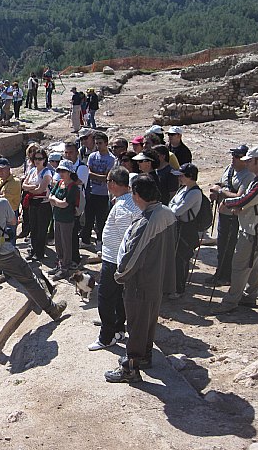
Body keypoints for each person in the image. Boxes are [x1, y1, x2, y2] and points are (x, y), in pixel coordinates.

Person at [0, 172, 67, 336]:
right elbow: (13, 222)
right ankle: (52, 310)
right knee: (29, 281)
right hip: (5, 253)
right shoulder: (1, 202)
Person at [105, 175, 177, 383]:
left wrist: (120, 275)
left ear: (137, 195)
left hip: (140, 282)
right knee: (148, 321)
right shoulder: (166, 213)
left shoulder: (146, 222)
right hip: (157, 278)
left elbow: (132, 256)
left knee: (136, 325)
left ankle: (131, 367)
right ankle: (145, 356)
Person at [213, 147, 258, 314]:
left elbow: (244, 200)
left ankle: (230, 302)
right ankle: (249, 296)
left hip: (252, 230)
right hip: (255, 228)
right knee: (253, 264)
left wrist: (226, 200)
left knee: (240, 265)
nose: (246, 163)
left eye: (250, 161)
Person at [88, 167, 141, 351]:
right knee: (118, 296)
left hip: (115, 260)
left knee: (105, 297)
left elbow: (128, 237)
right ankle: (118, 328)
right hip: (116, 258)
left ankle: (106, 336)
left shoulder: (124, 207)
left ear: (112, 183)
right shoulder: (128, 202)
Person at [206, 145, 254, 286]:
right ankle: (220, 273)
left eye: (237, 156)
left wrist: (220, 192)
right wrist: (216, 187)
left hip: (234, 215)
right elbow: (223, 183)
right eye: (233, 155)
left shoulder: (248, 175)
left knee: (229, 246)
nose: (234, 158)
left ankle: (226, 275)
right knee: (221, 245)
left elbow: (240, 196)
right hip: (223, 212)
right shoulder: (230, 169)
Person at [168, 163, 202, 298]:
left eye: (182, 176)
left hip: (187, 230)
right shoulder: (183, 189)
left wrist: (174, 207)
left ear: (190, 176)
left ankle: (179, 289)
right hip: (178, 227)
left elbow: (177, 210)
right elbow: (172, 204)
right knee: (174, 258)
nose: (179, 178)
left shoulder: (195, 193)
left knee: (181, 259)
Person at [83, 132, 115, 253]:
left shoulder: (111, 159)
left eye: (100, 143)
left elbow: (106, 177)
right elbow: (88, 172)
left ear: (106, 143)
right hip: (91, 192)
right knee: (89, 218)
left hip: (103, 193)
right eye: (96, 143)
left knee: (101, 220)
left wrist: (92, 175)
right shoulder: (92, 156)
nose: (98, 146)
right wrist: (95, 175)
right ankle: (85, 240)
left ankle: (100, 241)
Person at [48, 159, 80, 281]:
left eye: (64, 171)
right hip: (57, 217)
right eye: (60, 170)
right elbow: (51, 196)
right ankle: (60, 263)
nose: (61, 173)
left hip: (67, 219)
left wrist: (55, 201)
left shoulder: (73, 187)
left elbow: (64, 204)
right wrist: (57, 201)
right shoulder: (59, 183)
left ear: (70, 172)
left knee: (66, 243)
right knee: (58, 242)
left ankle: (65, 267)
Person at [21, 148, 53, 261]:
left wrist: (30, 189)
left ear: (44, 159)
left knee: (41, 229)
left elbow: (41, 189)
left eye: (40, 158)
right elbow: (24, 185)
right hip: (33, 202)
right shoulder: (32, 171)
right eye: (35, 158)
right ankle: (33, 250)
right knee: (33, 228)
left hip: (43, 203)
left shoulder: (47, 172)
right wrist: (32, 188)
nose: (37, 161)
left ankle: (39, 253)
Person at [63, 141, 89, 268]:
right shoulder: (65, 167)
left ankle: (75, 259)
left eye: (71, 152)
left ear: (77, 153)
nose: (68, 155)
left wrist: (66, 174)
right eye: (66, 153)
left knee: (73, 233)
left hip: (76, 204)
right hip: (64, 203)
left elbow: (79, 182)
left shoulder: (82, 167)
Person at [0, 158, 21, 242]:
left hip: (10, 214)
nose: (0, 171)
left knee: (9, 239)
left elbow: (4, 199)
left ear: (8, 168)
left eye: (2, 169)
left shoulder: (15, 182)